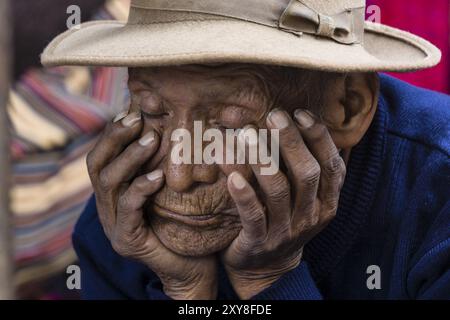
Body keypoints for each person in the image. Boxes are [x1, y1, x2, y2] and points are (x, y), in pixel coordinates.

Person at [41, 0, 450, 299]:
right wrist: (186, 290)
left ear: (347, 107)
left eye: (230, 125)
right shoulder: (123, 223)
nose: (182, 174)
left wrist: (270, 280)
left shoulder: (437, 198)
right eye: (153, 111)